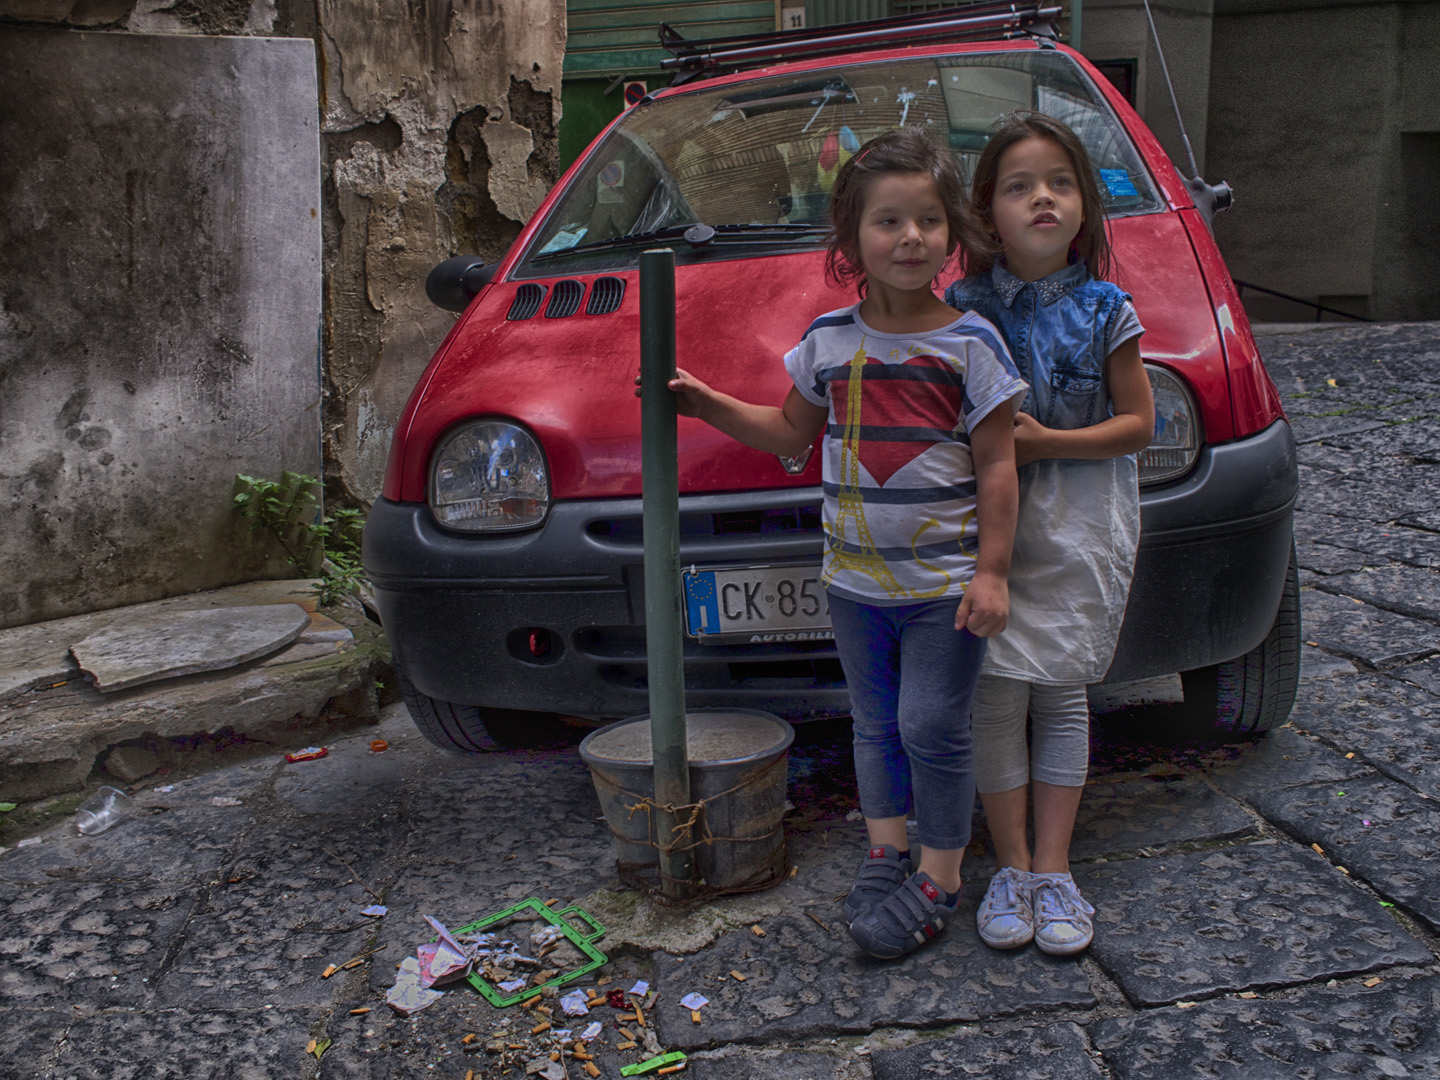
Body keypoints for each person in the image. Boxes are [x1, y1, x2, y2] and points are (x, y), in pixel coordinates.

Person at [637, 127, 1027, 959]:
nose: (910, 238)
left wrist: (992, 573)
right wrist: (704, 403)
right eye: (888, 221)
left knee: (933, 725)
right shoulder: (828, 341)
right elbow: (788, 430)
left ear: (952, 233)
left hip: (942, 587)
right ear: (851, 238)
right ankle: (886, 849)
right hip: (853, 583)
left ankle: (943, 871)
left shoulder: (972, 345)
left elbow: (998, 465)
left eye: (927, 219)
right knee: (875, 723)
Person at [943, 111, 1156, 956]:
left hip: (1077, 518)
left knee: (1061, 690)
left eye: (1061, 183)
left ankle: (1058, 869)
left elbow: (1137, 424)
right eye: (1020, 185)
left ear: (1085, 206)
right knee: (995, 691)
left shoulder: (1108, 307)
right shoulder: (961, 307)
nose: (1043, 199)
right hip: (983, 524)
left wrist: (1047, 443)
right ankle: (1015, 864)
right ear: (986, 209)